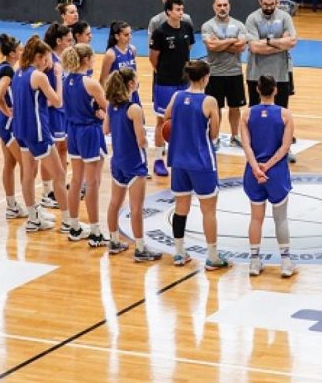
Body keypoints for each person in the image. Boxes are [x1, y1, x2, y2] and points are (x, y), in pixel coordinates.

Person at [163, 60, 231, 270]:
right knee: (208, 210)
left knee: (180, 208)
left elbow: (166, 119)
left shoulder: (177, 96)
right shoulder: (209, 101)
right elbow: (214, 134)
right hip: (201, 161)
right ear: (204, 78)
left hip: (178, 160)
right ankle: (212, 256)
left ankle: (179, 253)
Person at [240, 75, 297, 279]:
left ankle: (254, 262)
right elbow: (285, 147)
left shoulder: (247, 114)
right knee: (280, 218)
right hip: (276, 172)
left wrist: (257, 168)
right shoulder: (285, 114)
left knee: (256, 218)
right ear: (275, 90)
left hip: (253, 172)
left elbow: (246, 146)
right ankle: (286, 263)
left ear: (257, 90)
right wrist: (268, 166)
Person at [103, 68, 162, 262]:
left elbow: (105, 129)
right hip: (135, 163)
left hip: (117, 162)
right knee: (136, 208)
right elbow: (140, 140)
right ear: (130, 84)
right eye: (136, 79)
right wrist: (146, 141)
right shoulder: (134, 108)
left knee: (114, 203)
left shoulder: (111, 105)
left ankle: (113, 241)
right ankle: (140, 248)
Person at [11, 36, 66, 233]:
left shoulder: (19, 72)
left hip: (21, 130)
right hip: (38, 132)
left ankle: (33, 217)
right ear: (38, 57)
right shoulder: (39, 77)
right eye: (46, 58)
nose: (47, 62)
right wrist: (58, 76)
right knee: (59, 175)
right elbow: (58, 101)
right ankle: (69, 222)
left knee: (28, 174)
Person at [62, 44, 108, 247]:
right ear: (86, 59)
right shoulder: (91, 83)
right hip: (89, 132)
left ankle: (74, 227)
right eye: (93, 57)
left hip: (72, 131)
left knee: (76, 180)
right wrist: (102, 114)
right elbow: (109, 109)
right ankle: (96, 232)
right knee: (92, 182)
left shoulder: (66, 80)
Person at [245, 0, 297, 157]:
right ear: (259, 1)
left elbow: (292, 42)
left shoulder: (285, 17)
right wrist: (279, 43)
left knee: (281, 114)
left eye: (272, 4)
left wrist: (266, 42)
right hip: (256, 74)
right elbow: (254, 47)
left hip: (280, 74)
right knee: (255, 114)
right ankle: (255, 147)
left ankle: (284, 148)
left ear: (277, 1)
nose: (269, 7)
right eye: (265, 4)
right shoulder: (252, 18)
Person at [149, 0, 195, 177]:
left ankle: (180, 156)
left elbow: (187, 50)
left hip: (184, 82)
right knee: (162, 121)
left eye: (182, 9)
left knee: (183, 119)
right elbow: (153, 58)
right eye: (177, 9)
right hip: (165, 83)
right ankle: (158, 159)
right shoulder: (160, 32)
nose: (181, 12)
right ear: (168, 11)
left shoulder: (187, 27)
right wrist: (164, 72)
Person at [201, 0, 249, 147]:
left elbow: (241, 47)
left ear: (229, 6)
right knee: (216, 108)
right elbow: (211, 46)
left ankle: (235, 136)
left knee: (235, 107)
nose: (222, 8)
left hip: (235, 72)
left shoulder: (239, 25)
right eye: (219, 5)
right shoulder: (208, 26)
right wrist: (232, 41)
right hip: (214, 74)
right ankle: (214, 137)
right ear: (214, 7)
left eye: (225, 5)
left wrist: (220, 43)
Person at [0, 33, 27, 220]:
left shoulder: (2, 67)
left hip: (1, 122)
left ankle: (11, 205)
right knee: (26, 164)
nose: (23, 51)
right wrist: (8, 112)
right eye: (20, 49)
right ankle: (31, 207)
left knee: (10, 163)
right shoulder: (8, 71)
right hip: (7, 124)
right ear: (13, 53)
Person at [42, 23, 74, 205]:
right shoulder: (49, 62)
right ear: (58, 41)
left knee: (63, 148)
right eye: (68, 40)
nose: (71, 43)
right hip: (52, 112)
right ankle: (47, 191)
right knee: (50, 152)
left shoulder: (65, 58)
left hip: (65, 112)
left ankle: (59, 184)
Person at [99, 21, 139, 105]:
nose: (130, 37)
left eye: (130, 34)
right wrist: (105, 100)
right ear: (117, 36)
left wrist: (136, 84)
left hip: (132, 93)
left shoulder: (132, 49)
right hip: (118, 95)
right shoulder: (111, 54)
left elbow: (134, 71)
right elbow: (103, 79)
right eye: (126, 35)